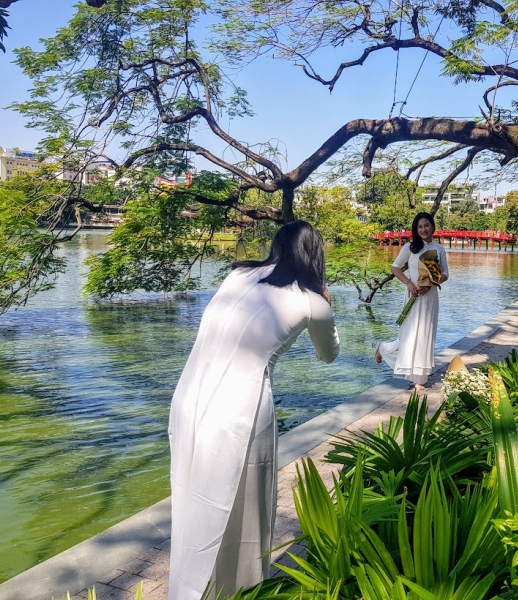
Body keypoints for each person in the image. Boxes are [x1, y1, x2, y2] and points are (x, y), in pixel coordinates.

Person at [167, 221, 340, 600]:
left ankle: (191, 589)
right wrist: (327, 304)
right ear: (316, 256)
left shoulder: (239, 274)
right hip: (241, 405)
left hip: (190, 395)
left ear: (276, 247)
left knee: (194, 501)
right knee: (244, 504)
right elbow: (329, 355)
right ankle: (240, 588)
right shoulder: (313, 301)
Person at [375, 212, 449, 389]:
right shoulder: (410, 247)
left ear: (432, 227)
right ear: (416, 229)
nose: (423, 229)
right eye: (420, 226)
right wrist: (409, 284)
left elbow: (445, 274)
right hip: (413, 295)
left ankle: (419, 379)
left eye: (426, 225)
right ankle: (383, 349)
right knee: (410, 335)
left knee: (425, 335)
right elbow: (395, 267)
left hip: (430, 296)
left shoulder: (439, 249)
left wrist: (432, 283)